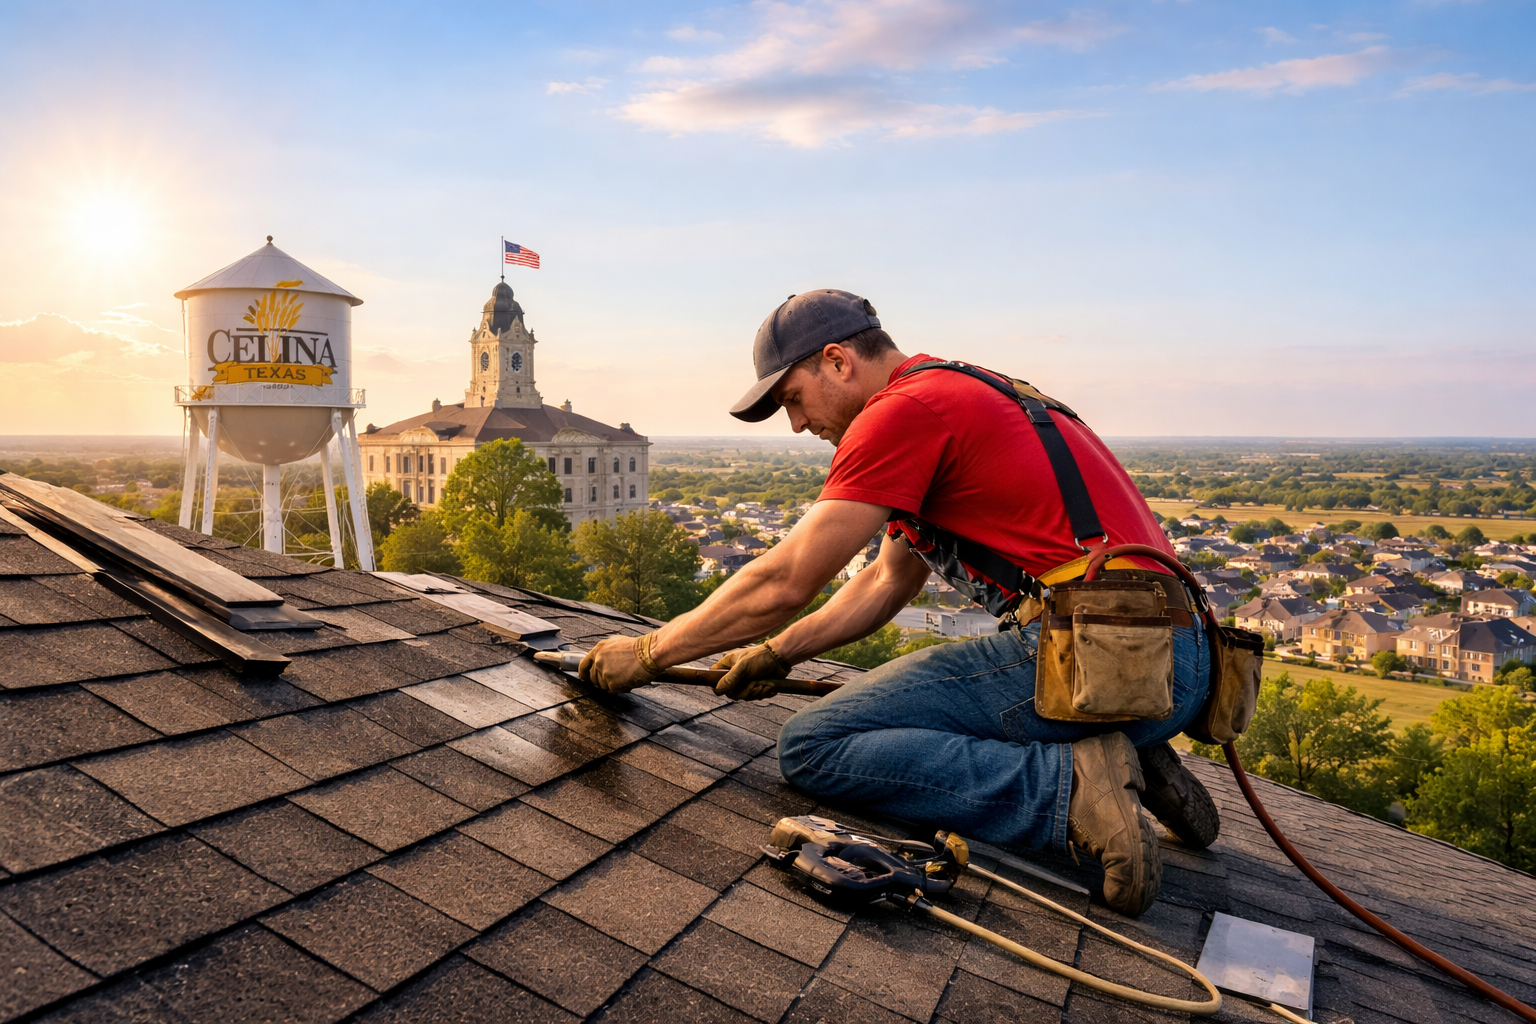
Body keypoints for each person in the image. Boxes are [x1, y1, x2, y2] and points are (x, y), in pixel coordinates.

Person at [580, 289, 1218, 915]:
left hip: (1094, 653)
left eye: (793, 399)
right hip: (1170, 664)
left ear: (837, 361)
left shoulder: (900, 412)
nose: (798, 425)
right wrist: (779, 652)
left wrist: (648, 653)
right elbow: (887, 582)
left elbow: (786, 581)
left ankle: (1072, 788)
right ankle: (1130, 744)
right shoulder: (962, 391)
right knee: (892, 715)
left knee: (814, 745)